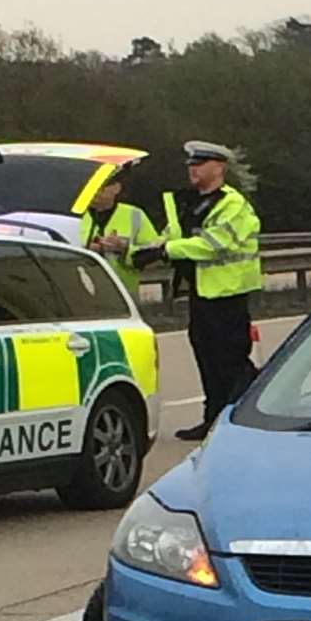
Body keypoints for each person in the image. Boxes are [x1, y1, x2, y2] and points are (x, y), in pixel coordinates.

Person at [134, 140, 262, 441]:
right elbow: (171, 236)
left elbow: (214, 244)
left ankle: (244, 417)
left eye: (199, 164)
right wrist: (139, 250)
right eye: (191, 164)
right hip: (201, 292)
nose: (192, 169)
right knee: (206, 355)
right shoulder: (189, 203)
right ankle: (213, 418)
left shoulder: (232, 205)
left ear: (219, 168)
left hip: (227, 293)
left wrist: (166, 250)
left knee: (230, 359)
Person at [78, 166, 162, 298]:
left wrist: (125, 249)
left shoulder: (135, 215)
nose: (95, 192)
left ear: (117, 188)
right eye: (91, 186)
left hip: (124, 296)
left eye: (102, 186)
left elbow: (156, 256)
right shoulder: (74, 215)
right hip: (81, 294)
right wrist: (87, 249)